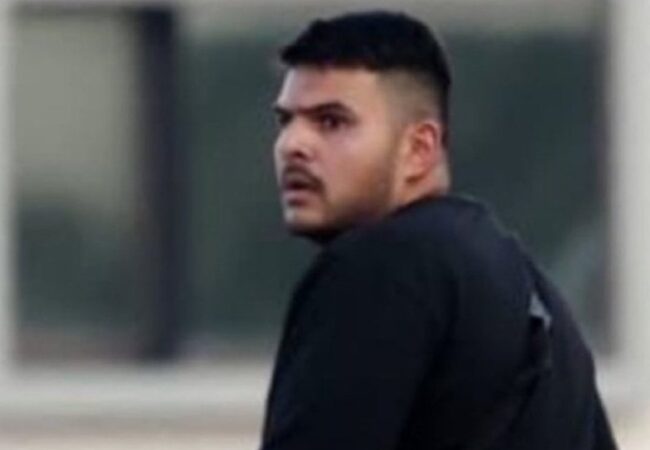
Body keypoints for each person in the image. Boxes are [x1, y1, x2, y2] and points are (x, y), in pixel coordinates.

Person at [260, 10, 617, 450]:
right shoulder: (527, 284)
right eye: (286, 121)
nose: (293, 145)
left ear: (419, 147)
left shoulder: (381, 266)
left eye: (331, 121)